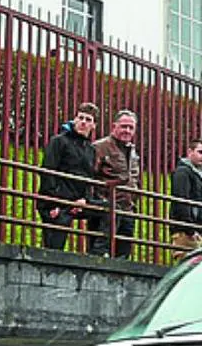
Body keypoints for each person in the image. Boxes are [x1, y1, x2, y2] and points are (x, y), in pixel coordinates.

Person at [37, 102, 103, 250]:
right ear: (75, 119)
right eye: (81, 118)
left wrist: (84, 200)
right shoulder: (59, 141)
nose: (83, 122)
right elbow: (47, 172)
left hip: (77, 202)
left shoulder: (90, 150)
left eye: (88, 120)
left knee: (106, 210)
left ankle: (98, 255)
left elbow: (89, 178)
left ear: (94, 126)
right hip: (56, 202)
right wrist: (53, 203)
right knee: (54, 247)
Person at [91, 110, 141, 258]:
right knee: (99, 252)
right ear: (114, 126)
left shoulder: (132, 151)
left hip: (128, 209)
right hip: (106, 209)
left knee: (123, 255)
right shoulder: (99, 147)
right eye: (124, 126)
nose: (127, 130)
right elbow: (90, 175)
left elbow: (135, 178)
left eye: (131, 128)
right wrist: (100, 200)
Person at [169, 138, 202, 255]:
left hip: (200, 232)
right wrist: (190, 230)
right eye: (200, 152)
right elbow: (181, 200)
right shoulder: (183, 172)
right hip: (188, 233)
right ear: (190, 152)